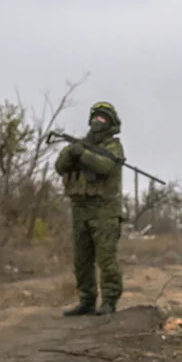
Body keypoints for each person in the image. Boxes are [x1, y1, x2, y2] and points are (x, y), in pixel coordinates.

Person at [56, 101, 125, 316]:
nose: (98, 122)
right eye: (95, 118)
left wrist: (83, 154)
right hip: (80, 209)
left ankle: (109, 300)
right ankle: (87, 299)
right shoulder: (79, 144)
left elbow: (104, 166)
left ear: (110, 123)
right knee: (82, 259)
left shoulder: (113, 147)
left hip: (104, 210)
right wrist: (72, 152)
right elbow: (60, 166)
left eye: (103, 119)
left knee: (106, 258)